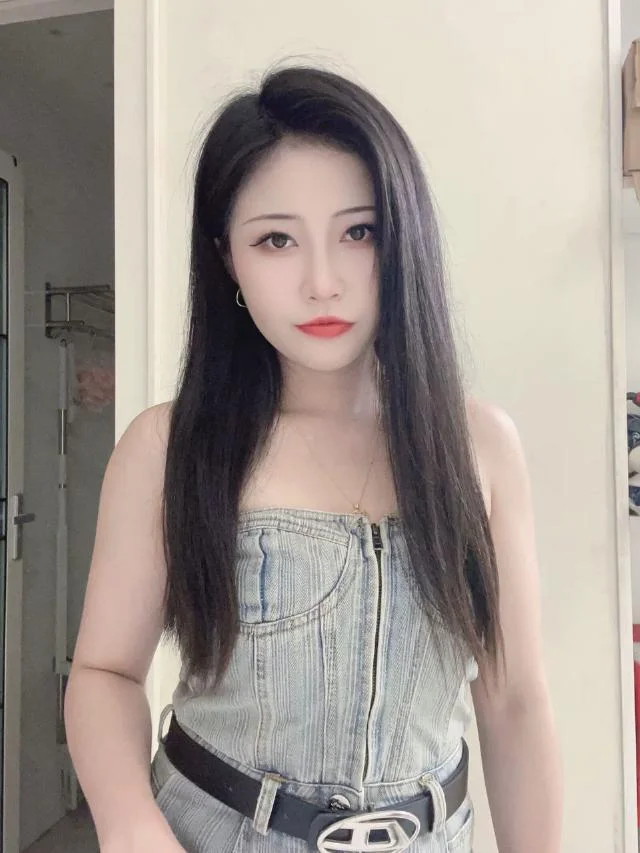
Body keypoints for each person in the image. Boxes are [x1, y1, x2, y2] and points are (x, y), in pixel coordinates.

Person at [65, 65, 562, 853]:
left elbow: (516, 700)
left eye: (358, 231)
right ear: (227, 258)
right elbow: (104, 674)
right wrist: (133, 827)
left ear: (402, 238)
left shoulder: (480, 445)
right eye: (276, 239)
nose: (322, 282)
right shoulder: (169, 446)